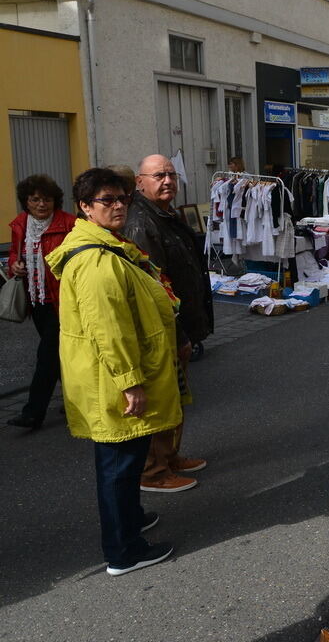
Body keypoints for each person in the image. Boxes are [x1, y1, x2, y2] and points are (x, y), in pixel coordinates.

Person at [45, 167, 180, 576]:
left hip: (108, 375)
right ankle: (124, 551)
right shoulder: (97, 262)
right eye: (107, 200)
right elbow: (109, 330)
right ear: (85, 208)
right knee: (119, 466)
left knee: (125, 460)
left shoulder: (107, 246)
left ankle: (130, 520)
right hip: (112, 379)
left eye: (122, 198)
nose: (118, 206)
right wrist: (130, 383)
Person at [122, 154, 210, 493]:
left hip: (179, 326)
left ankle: (170, 457)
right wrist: (177, 334)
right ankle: (154, 471)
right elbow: (155, 288)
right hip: (165, 331)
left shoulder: (164, 214)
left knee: (175, 396)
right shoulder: (142, 223)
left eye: (171, 174)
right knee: (161, 400)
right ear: (140, 182)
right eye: (159, 175)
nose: (168, 181)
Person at [6, 175, 77, 429]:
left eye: (46, 199)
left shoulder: (69, 223)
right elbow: (15, 252)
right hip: (36, 301)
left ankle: (33, 412)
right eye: (35, 199)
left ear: (54, 200)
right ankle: (76, 402)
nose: (41, 204)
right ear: (26, 201)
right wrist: (14, 264)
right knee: (57, 356)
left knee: (46, 356)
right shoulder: (20, 225)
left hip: (62, 300)